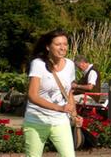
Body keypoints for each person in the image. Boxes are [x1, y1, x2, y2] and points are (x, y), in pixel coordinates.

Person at [26, 29, 79, 157]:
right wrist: (59, 108)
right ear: (48, 47)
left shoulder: (70, 65)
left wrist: (74, 114)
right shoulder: (38, 64)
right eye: (58, 44)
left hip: (60, 121)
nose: (62, 48)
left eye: (65, 44)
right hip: (37, 120)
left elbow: (69, 93)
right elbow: (32, 95)